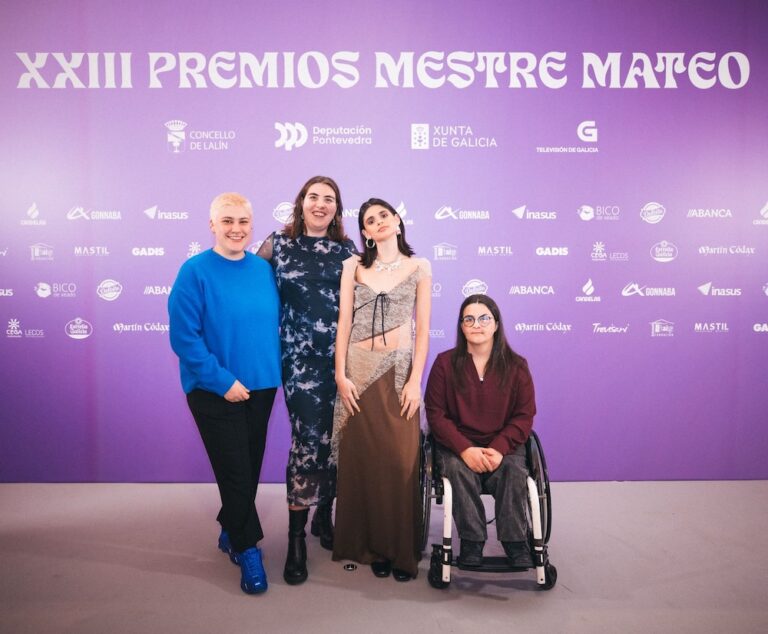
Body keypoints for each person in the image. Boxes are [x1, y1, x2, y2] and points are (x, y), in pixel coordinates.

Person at [168, 192, 281, 595]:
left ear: (253, 225)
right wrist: (222, 382)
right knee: (234, 469)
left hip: (262, 384)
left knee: (247, 466)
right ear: (212, 225)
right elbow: (184, 338)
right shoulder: (194, 271)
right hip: (214, 390)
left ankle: (230, 526)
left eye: (244, 222)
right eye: (228, 221)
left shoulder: (264, 270)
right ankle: (247, 546)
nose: (237, 229)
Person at [257, 176, 357, 585]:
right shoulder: (276, 246)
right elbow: (244, 285)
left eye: (328, 199)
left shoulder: (349, 251)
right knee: (306, 441)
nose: (320, 204)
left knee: (337, 439)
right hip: (299, 364)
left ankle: (325, 518)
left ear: (336, 209)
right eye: (313, 197)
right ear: (300, 203)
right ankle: (296, 537)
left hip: (345, 365)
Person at [331, 197, 431, 582]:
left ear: (397, 220)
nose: (378, 223)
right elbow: (343, 323)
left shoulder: (420, 266)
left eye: (384, 215)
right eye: (370, 221)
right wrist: (341, 375)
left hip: (397, 370)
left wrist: (414, 380)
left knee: (399, 461)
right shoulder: (353, 266)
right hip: (357, 370)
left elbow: (421, 329)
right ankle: (368, 547)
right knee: (364, 462)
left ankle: (398, 549)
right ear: (366, 234)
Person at [425, 294, 536, 568]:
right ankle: (472, 542)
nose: (477, 324)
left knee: (514, 470)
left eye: (484, 318)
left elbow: (524, 416)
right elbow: (436, 414)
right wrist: (464, 448)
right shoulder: (445, 364)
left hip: (503, 447)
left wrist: (499, 448)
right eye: (469, 319)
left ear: (496, 324)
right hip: (458, 445)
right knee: (456, 470)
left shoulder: (517, 366)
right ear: (461, 326)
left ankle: (515, 542)